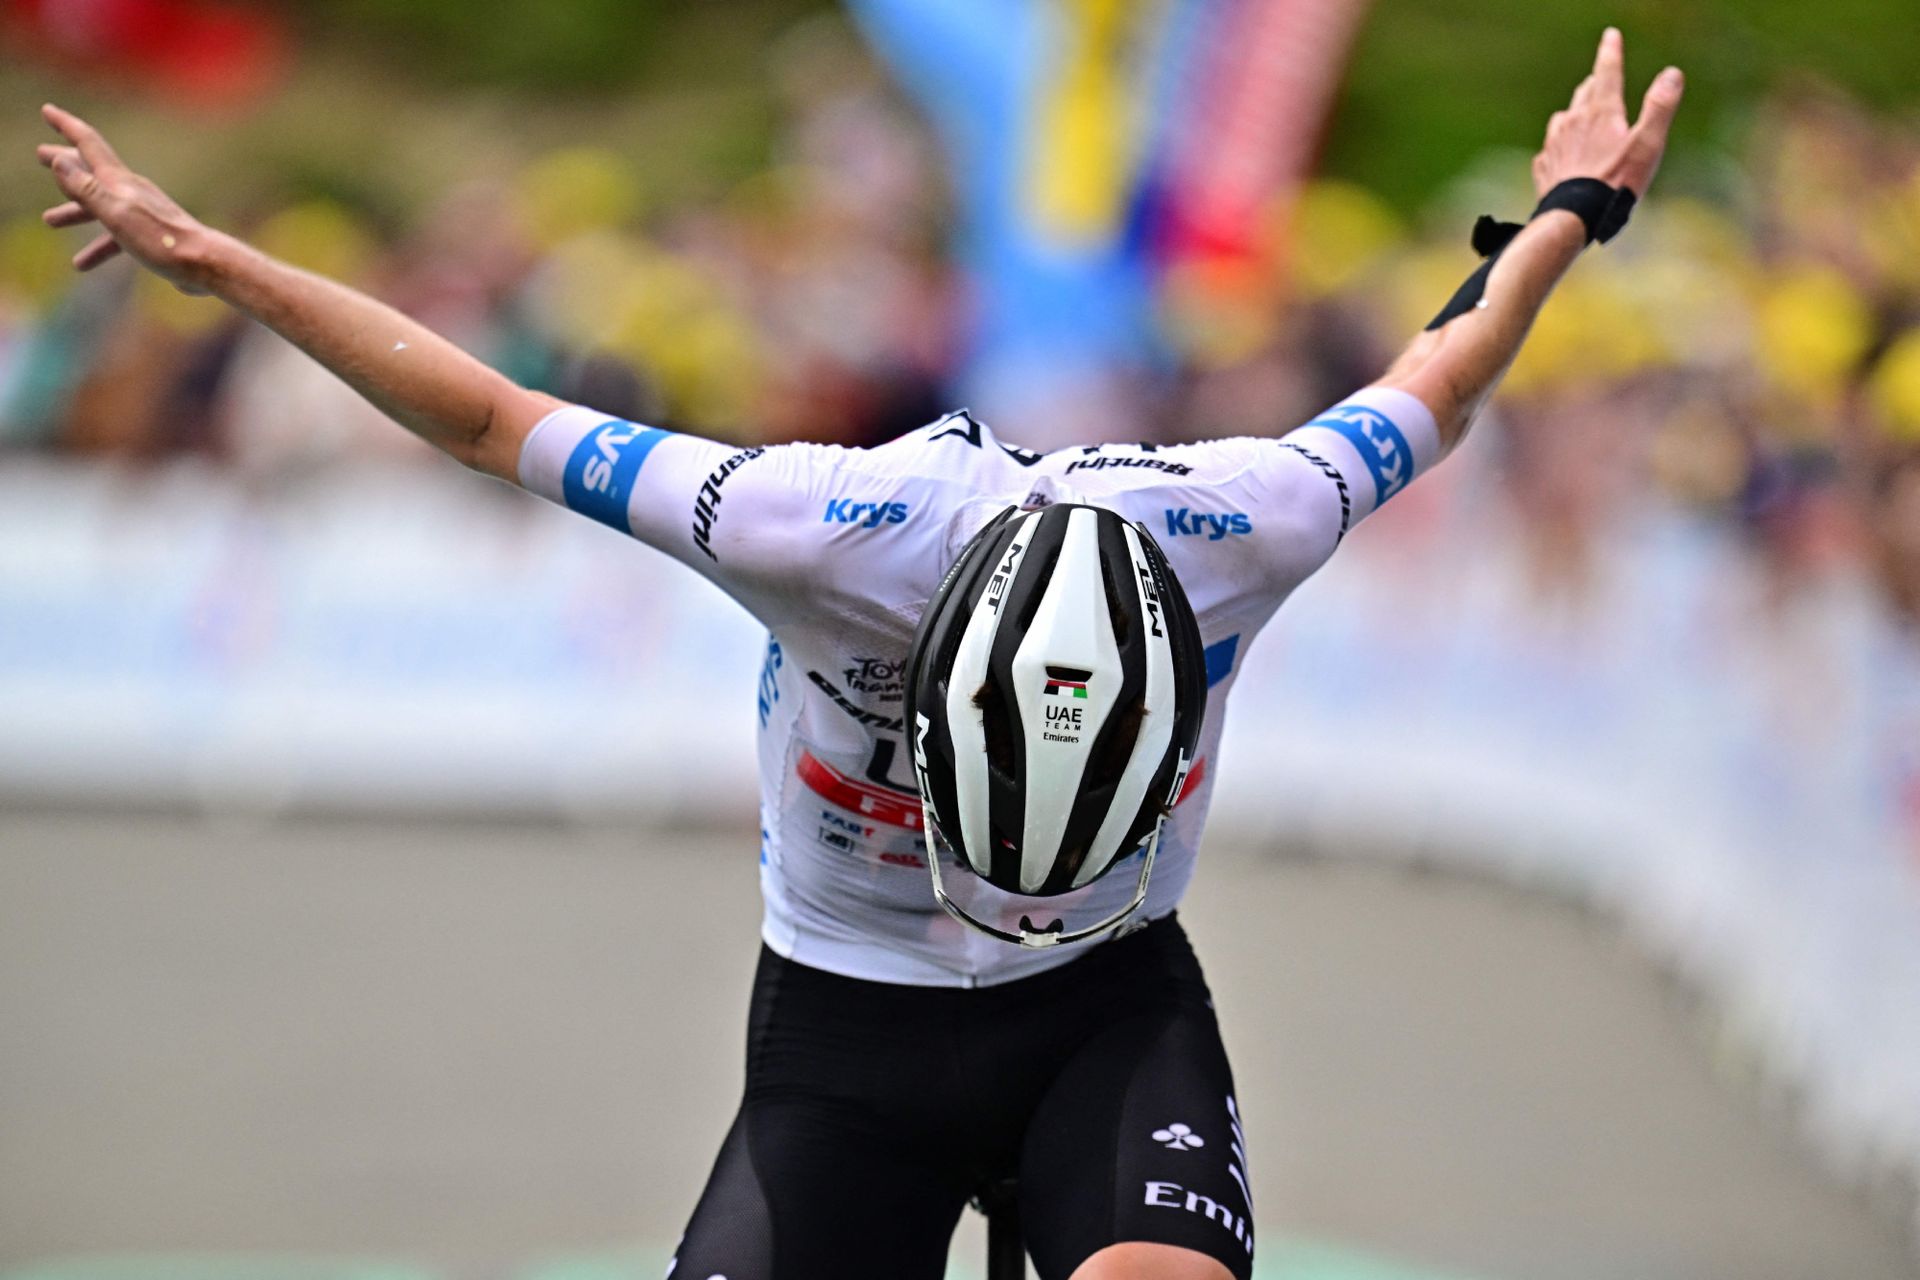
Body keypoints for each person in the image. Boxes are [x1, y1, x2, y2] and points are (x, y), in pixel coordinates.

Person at [32, 29, 1683, 1280]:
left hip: (1100, 1008)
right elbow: (484, 414)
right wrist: (212, 264)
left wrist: (1566, 213)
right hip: (846, 1033)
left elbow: (1444, 379)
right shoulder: (821, 530)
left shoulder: (1237, 523)